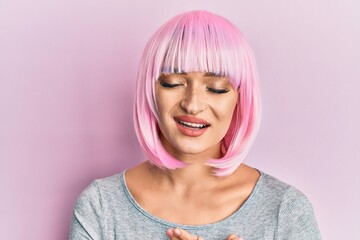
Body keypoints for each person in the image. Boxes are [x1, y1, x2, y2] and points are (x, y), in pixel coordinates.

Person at [69, 10, 321, 240]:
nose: (192, 104)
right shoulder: (101, 206)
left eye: (216, 88)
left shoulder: (285, 210)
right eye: (172, 83)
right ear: (150, 90)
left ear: (240, 98)